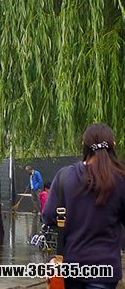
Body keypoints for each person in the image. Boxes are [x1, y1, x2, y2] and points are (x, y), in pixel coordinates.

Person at [41, 123, 125, 289]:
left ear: (83, 145)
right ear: (113, 145)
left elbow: (49, 217)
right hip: (105, 270)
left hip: (70, 266)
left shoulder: (64, 176)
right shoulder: (121, 179)